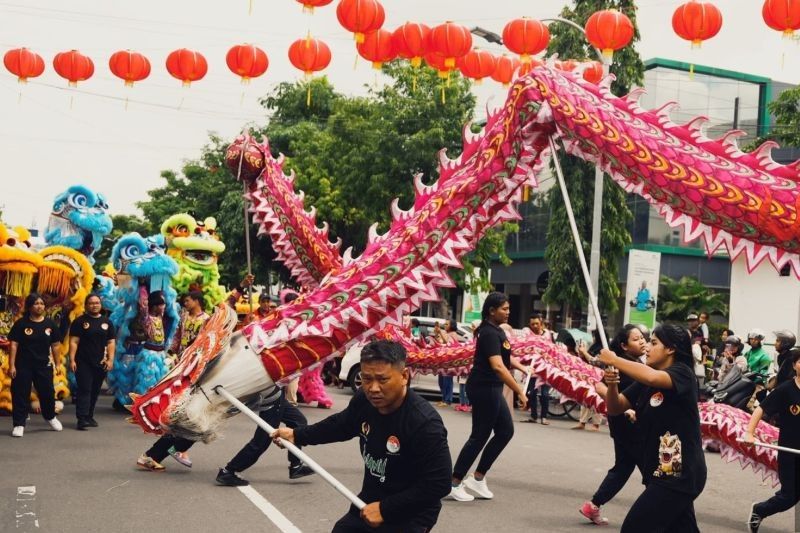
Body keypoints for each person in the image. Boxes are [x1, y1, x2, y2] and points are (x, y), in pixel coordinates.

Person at [271, 340, 452, 532]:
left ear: (404, 376)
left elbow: (439, 483)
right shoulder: (365, 401)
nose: (373, 388)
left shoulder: (424, 423)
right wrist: (297, 435)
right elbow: (340, 425)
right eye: (367, 379)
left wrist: (385, 509)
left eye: (382, 380)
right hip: (371, 498)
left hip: (411, 513)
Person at [599, 324, 707, 532]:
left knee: (634, 527)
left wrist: (614, 359)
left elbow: (652, 377)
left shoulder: (681, 373)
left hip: (678, 470)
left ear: (671, 349)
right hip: (659, 466)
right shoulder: (648, 380)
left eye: (653, 342)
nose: (647, 347)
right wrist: (612, 385)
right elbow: (616, 407)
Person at [449, 292, 528, 502]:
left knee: (505, 431)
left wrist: (521, 367)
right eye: (504, 309)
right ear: (492, 311)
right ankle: (454, 483)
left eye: (509, 308)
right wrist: (519, 390)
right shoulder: (490, 333)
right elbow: (497, 366)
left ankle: (477, 478)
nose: (508, 312)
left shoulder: (494, 331)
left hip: (492, 386)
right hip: (485, 387)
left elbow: (503, 359)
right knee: (480, 436)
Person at [580, 325, 647, 525]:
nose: (642, 341)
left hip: (625, 424)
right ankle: (664, 513)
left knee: (623, 467)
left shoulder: (635, 362)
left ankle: (593, 505)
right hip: (627, 424)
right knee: (652, 471)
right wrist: (623, 406)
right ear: (624, 346)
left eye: (643, 337)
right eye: (636, 339)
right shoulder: (622, 365)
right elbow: (600, 386)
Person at [744, 348, 800, 532]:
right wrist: (750, 433)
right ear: (794, 365)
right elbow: (762, 409)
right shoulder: (786, 390)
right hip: (789, 451)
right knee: (789, 496)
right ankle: (760, 510)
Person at [214, 388, 314, 485]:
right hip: (272, 395)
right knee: (262, 440)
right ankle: (228, 471)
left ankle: (296, 466)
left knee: (298, 421)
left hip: (277, 393)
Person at [8, 293, 65, 437]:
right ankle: (19, 424)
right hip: (23, 365)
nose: (40, 306)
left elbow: (56, 345)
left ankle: (50, 417)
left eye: (42, 303)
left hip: (43, 365)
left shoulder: (50, 324)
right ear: (29, 306)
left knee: (47, 393)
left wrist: (58, 363)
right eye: (36, 303)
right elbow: (13, 345)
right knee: (20, 394)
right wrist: (12, 365)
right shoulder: (21, 324)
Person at [69, 293, 116, 430]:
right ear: (86, 305)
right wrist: (72, 360)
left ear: (100, 305)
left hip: (100, 362)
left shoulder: (107, 322)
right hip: (83, 361)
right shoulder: (79, 322)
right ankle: (81, 418)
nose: (94, 305)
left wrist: (110, 360)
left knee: (95, 390)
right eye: (91, 303)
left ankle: (89, 415)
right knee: (85, 389)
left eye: (97, 303)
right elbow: (74, 342)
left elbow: (111, 342)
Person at [521, 313, 551, 425]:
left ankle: (544, 417)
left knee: (545, 394)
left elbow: (550, 349)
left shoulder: (547, 335)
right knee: (532, 393)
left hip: (544, 369)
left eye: (537, 324)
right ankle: (533, 416)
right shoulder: (527, 335)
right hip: (532, 370)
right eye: (532, 324)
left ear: (541, 324)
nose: (535, 326)